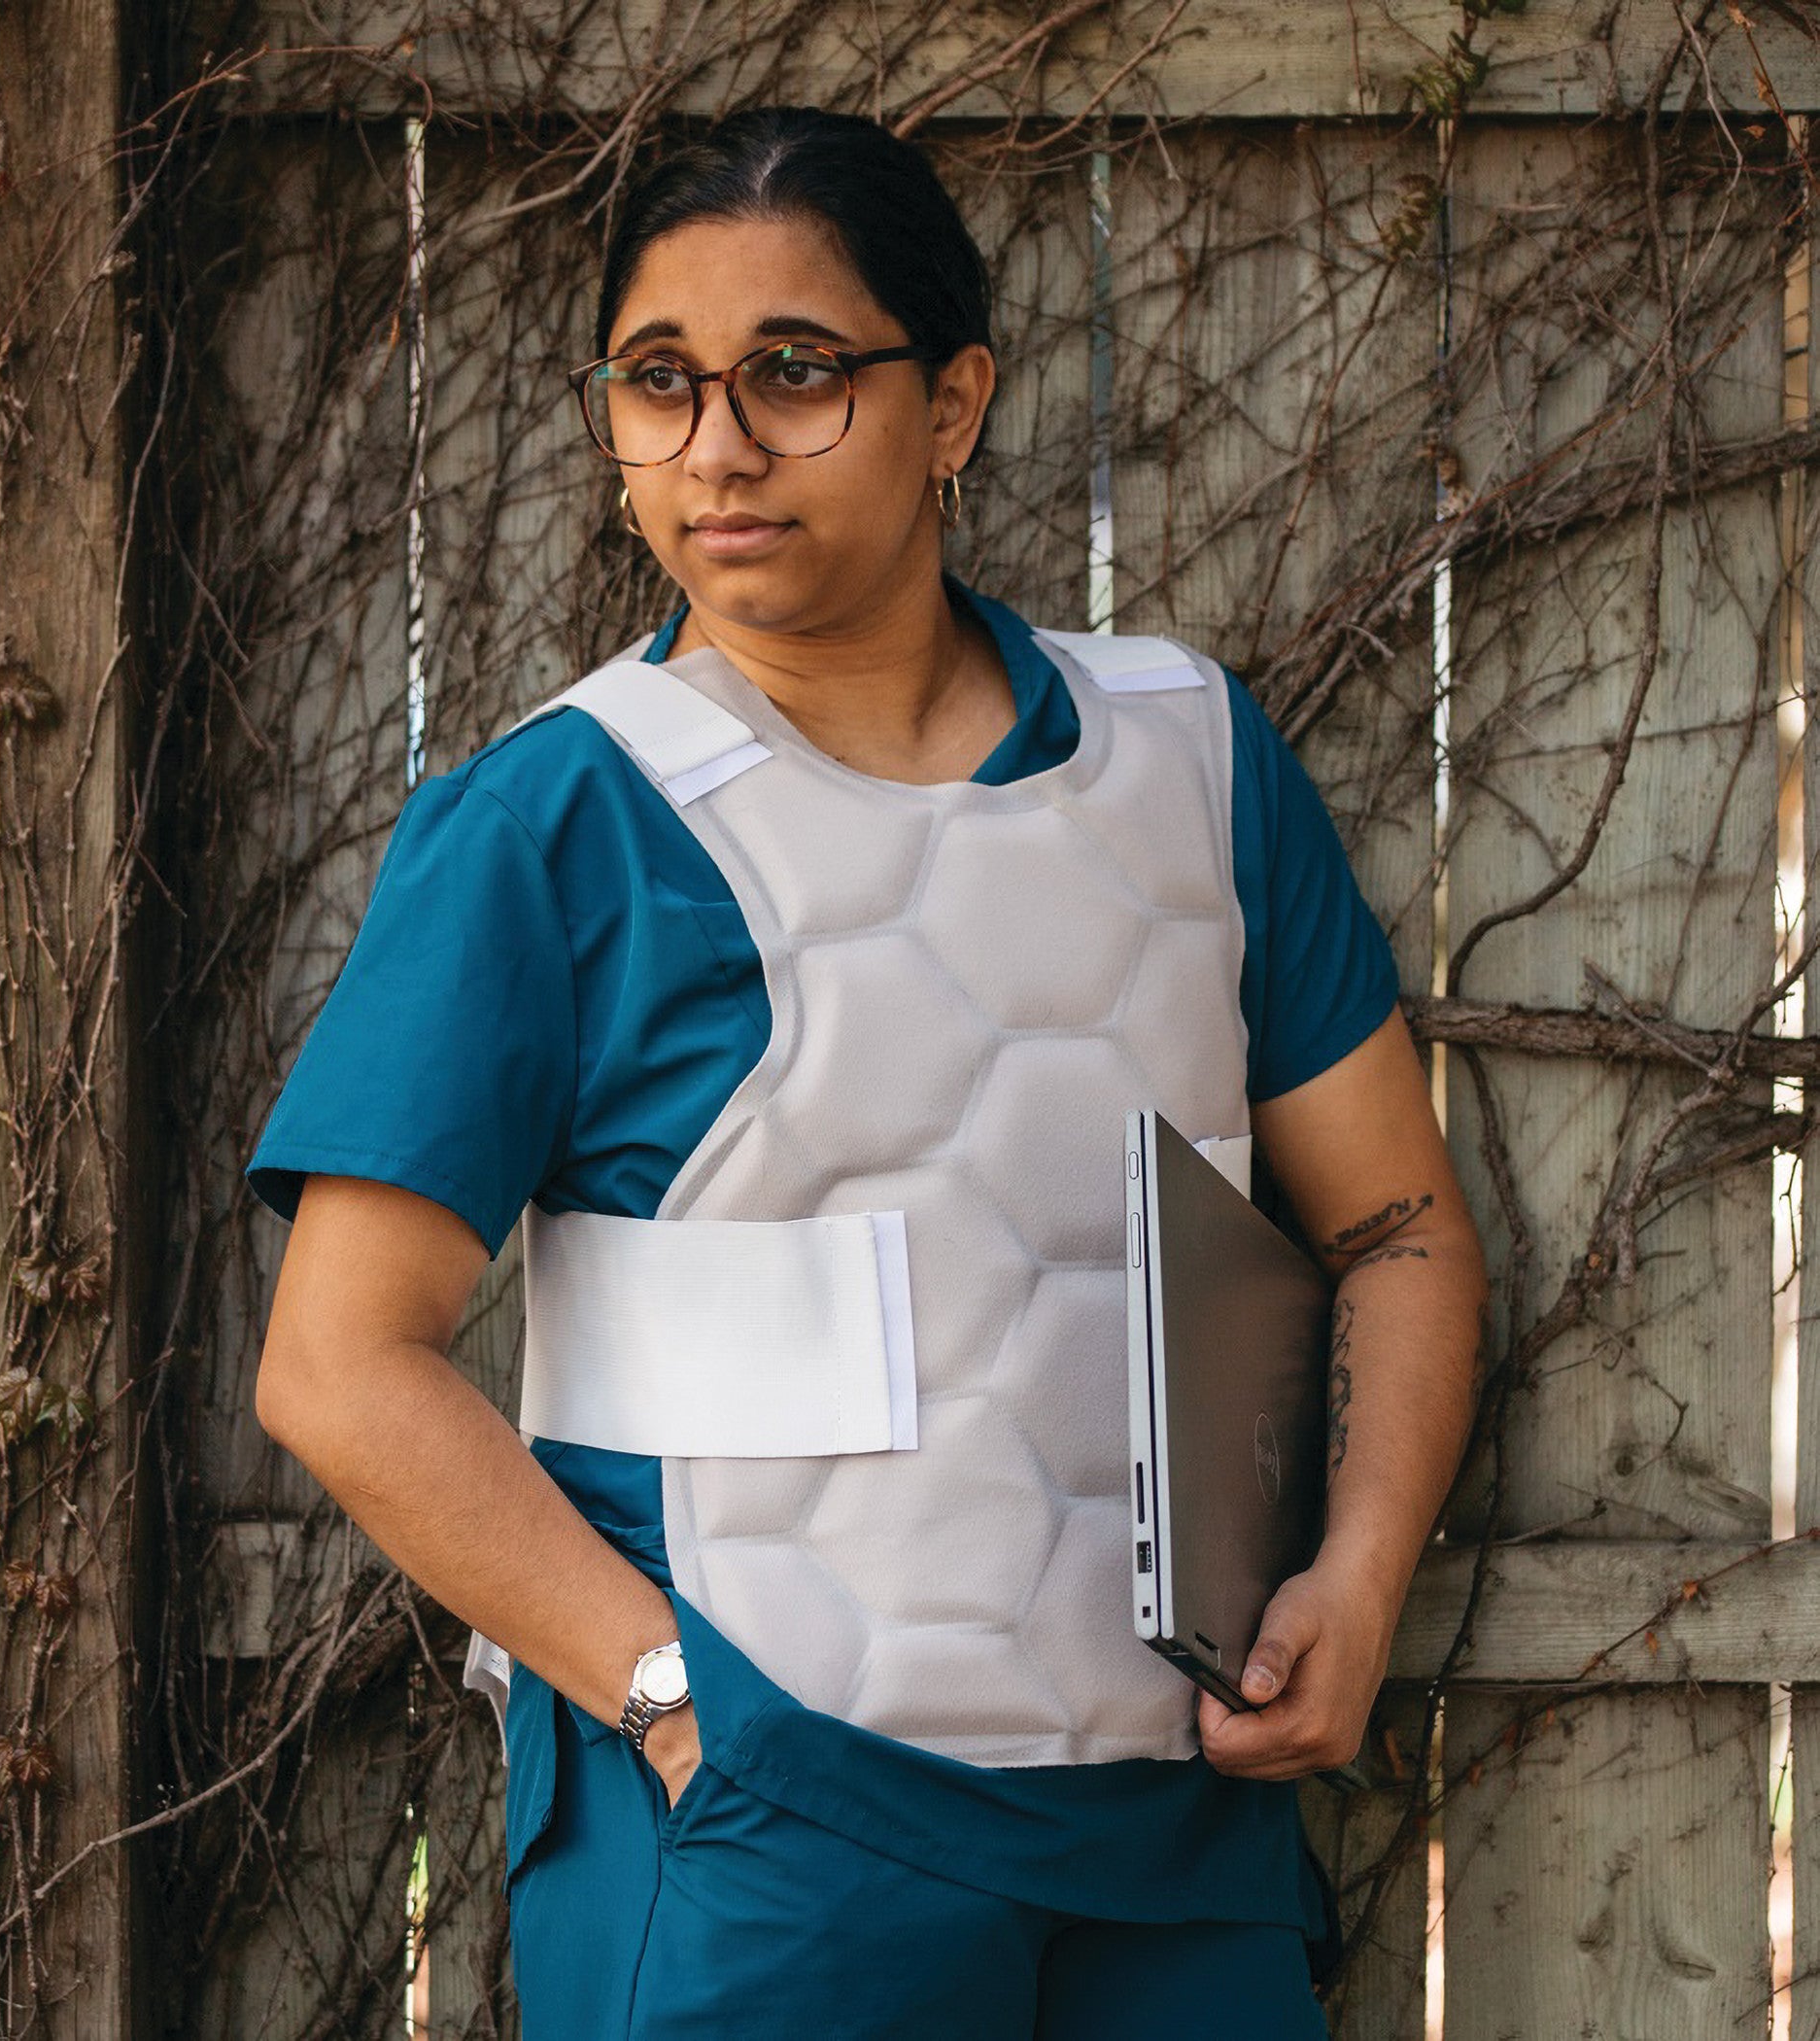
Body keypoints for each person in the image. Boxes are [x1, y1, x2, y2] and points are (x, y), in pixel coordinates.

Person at [247, 104, 1488, 2041]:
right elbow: (338, 1366)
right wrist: (673, 1708)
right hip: (773, 1837)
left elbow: (1400, 1224)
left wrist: (1364, 1566)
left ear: (954, 402)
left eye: (795, 372)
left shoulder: (1192, 761)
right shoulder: (558, 821)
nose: (718, 446)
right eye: (660, 382)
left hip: (1177, 1832)